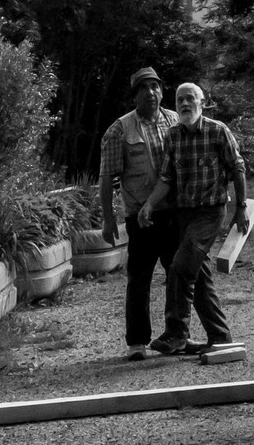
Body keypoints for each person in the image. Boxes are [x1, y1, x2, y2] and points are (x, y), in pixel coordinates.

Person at [138, 82, 249, 356]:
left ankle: (176, 334)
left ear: (202, 103)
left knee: (180, 267)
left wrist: (242, 207)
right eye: (180, 100)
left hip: (210, 213)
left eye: (190, 99)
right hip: (184, 214)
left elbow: (238, 167)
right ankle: (220, 336)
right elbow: (167, 178)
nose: (185, 104)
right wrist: (149, 205)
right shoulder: (173, 136)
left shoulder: (217, 130)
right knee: (197, 276)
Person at [99, 66, 178, 360]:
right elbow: (107, 178)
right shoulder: (119, 130)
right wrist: (109, 219)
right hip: (139, 217)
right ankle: (136, 342)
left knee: (177, 275)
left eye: (155, 87)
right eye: (144, 88)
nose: (151, 93)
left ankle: (176, 334)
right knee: (140, 278)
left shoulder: (175, 121)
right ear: (135, 96)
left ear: (161, 91)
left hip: (173, 212)